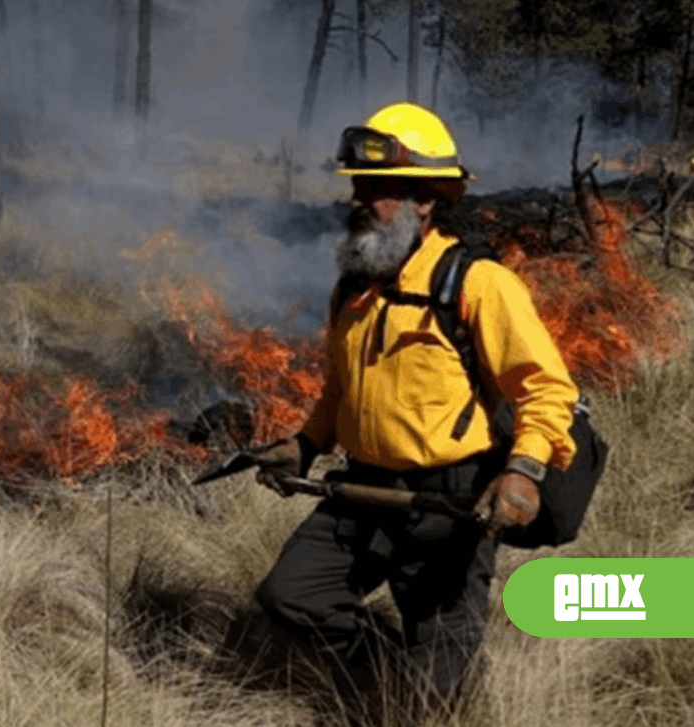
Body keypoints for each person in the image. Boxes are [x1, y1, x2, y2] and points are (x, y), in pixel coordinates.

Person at [245, 102, 580, 721]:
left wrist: (523, 471)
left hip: (449, 501)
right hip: (361, 491)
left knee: (429, 698)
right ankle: (392, 673)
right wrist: (307, 444)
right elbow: (341, 387)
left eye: (377, 190)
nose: (357, 201)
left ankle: (418, 691)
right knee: (291, 595)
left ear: (426, 200)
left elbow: (546, 388)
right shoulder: (354, 286)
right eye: (356, 186)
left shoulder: (478, 284)